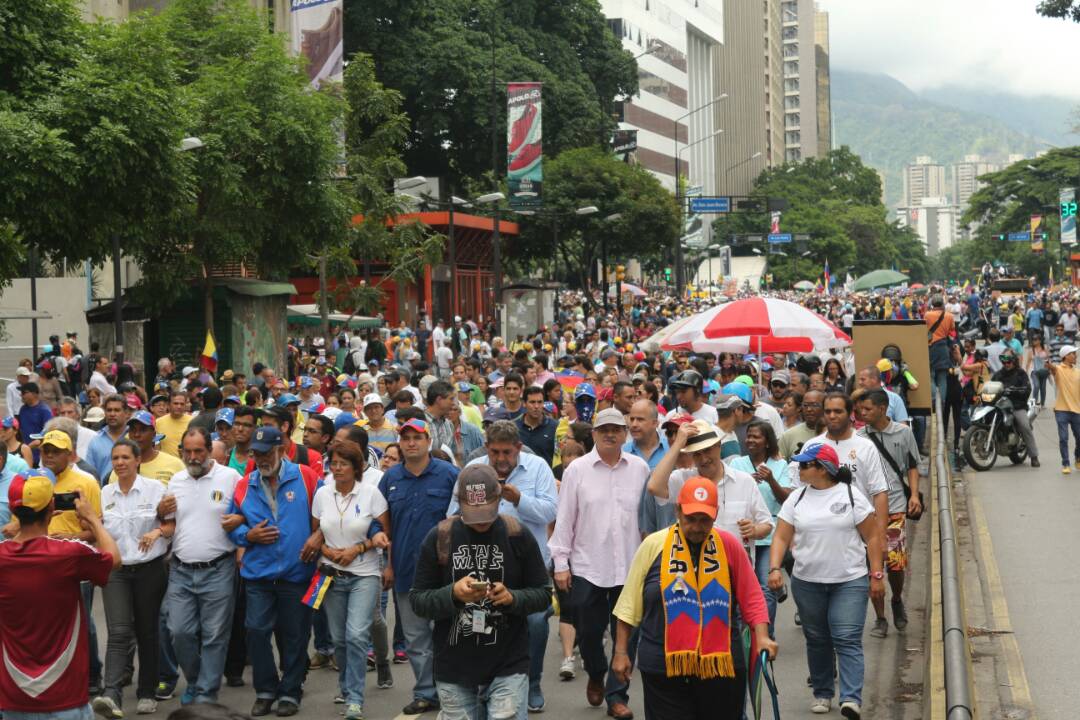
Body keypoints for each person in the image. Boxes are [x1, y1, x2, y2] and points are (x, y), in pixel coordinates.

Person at [612, 477, 776, 719]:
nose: (698, 527)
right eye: (691, 519)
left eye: (705, 520)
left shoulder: (728, 544)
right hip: (662, 664)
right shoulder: (653, 545)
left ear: (716, 514)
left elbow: (752, 598)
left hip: (719, 665)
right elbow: (628, 606)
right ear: (677, 510)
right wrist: (621, 652)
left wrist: (762, 637)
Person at [410, 464, 552, 720]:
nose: (482, 521)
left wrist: (513, 598)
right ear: (460, 503)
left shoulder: (517, 535)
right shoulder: (440, 537)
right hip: (453, 668)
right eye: (474, 513)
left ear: (499, 500)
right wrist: (453, 594)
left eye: (487, 512)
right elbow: (418, 600)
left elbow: (543, 593)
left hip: (509, 663)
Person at [768, 443, 886, 719]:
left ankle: (851, 698)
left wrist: (877, 574)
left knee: (846, 638)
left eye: (805, 464)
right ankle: (822, 691)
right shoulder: (796, 498)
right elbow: (781, 537)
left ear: (822, 469)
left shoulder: (851, 495)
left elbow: (872, 537)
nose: (799, 468)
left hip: (849, 581)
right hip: (807, 582)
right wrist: (774, 568)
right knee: (818, 639)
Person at [548, 408, 651, 720]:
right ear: (593, 434)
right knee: (590, 634)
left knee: (627, 637)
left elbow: (646, 519)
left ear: (625, 434)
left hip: (630, 568)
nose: (610, 434)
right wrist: (561, 563)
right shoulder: (577, 470)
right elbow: (565, 519)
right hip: (588, 566)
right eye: (604, 429)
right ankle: (595, 672)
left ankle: (616, 695)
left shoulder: (639, 468)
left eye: (616, 429)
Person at [454, 421, 559, 712]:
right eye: (495, 452)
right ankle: (485, 684)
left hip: (529, 570)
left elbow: (551, 510)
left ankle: (532, 681)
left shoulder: (537, 468)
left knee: (536, 623)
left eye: (507, 453)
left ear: (519, 449)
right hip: (481, 570)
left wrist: (519, 500)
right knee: (482, 625)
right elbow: (452, 514)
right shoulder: (474, 471)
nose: (501, 459)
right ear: (487, 448)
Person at [0, 469, 120, 720]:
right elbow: (114, 560)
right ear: (51, 506)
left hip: (13, 698)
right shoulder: (69, 554)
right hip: (66, 698)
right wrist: (93, 520)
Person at [226, 425, 321, 717]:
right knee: (255, 631)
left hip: (298, 573)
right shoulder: (245, 484)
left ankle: (290, 692)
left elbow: (325, 513)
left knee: (295, 635)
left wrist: (318, 537)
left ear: (281, 449)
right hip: (259, 574)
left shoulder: (306, 477)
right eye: (256, 453)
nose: (262, 459)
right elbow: (231, 525)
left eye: (267, 452)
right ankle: (266, 690)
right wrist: (247, 536)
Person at [377, 418, 460, 715]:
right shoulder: (389, 479)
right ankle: (426, 692)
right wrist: (387, 566)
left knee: (449, 633)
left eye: (417, 437)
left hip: (446, 573)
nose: (411, 442)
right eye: (406, 437)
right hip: (405, 571)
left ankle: (453, 690)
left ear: (428, 441)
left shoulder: (450, 474)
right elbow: (383, 527)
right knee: (415, 638)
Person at [158, 428, 243, 705]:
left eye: (199, 451)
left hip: (219, 568)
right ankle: (195, 681)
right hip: (181, 570)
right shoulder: (176, 481)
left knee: (215, 635)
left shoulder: (231, 478)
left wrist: (240, 522)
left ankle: (206, 694)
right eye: (187, 451)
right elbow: (170, 524)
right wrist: (160, 516)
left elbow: (249, 512)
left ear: (209, 451)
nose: (193, 457)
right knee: (178, 631)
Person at [311, 439, 391, 720]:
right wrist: (327, 550)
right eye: (333, 463)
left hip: (364, 574)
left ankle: (355, 699)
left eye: (344, 464)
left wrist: (358, 548)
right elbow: (315, 534)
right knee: (339, 639)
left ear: (356, 467)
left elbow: (382, 534)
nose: (337, 468)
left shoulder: (371, 494)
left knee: (356, 635)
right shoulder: (322, 494)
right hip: (331, 575)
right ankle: (346, 687)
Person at [95, 439, 173, 718]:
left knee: (146, 630)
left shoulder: (156, 490)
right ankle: (111, 693)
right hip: (116, 571)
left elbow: (171, 523)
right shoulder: (104, 493)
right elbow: (98, 530)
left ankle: (147, 692)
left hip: (149, 569)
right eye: (115, 458)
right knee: (118, 631)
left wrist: (158, 532)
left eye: (126, 457)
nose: (120, 463)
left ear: (137, 460)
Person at [856, 390, 923, 637]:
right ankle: (880, 618)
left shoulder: (903, 433)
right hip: (866, 511)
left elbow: (913, 466)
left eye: (867, 409)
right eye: (860, 410)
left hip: (895, 507)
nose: (862, 414)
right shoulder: (859, 437)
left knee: (895, 564)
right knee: (872, 566)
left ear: (882, 408)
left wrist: (914, 495)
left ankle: (896, 599)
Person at [728, 421, 792, 630]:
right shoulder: (737, 465)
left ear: (767, 441)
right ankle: (743, 633)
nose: (751, 441)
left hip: (769, 536)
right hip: (743, 535)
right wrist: (748, 482)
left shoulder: (780, 465)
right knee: (741, 587)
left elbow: (786, 500)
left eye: (756, 437)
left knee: (765, 588)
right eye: (749, 436)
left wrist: (771, 480)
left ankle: (765, 634)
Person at [989, 350, 1039, 467]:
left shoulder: (1021, 373)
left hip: (1016, 406)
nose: (1006, 363)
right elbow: (991, 385)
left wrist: (1016, 390)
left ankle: (1034, 456)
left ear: (1014, 361)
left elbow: (1027, 388)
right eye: (1004, 361)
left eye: (1009, 361)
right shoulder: (998, 374)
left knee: (1025, 426)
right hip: (1000, 406)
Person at [1048, 345, 1080, 473]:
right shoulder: (1059, 370)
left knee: (1079, 437)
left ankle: (1078, 457)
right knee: (1063, 437)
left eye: (1075, 353)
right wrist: (1048, 364)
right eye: (1072, 353)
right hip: (1061, 409)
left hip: (1077, 410)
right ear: (1065, 356)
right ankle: (1065, 464)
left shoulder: (1078, 372)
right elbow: (1052, 368)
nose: (1075, 356)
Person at [516, 386, 558, 466]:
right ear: (524, 403)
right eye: (532, 402)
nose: (536, 406)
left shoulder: (555, 427)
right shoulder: (514, 428)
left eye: (540, 402)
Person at [157, 390, 192, 458]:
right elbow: (157, 447)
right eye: (175, 403)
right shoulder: (158, 422)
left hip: (185, 465)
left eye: (182, 404)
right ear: (168, 405)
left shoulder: (192, 421)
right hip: (166, 466)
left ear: (185, 405)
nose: (179, 406)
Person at [1025, 334, 1051, 407]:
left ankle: (1042, 404)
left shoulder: (1045, 348)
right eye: (1033, 339)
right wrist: (1026, 373)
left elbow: (1048, 360)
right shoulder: (1031, 350)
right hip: (1034, 371)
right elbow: (1028, 362)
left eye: (1036, 339)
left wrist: (1050, 370)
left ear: (1040, 340)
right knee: (1036, 386)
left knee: (1043, 388)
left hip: (1044, 371)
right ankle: (1034, 403)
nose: (1034, 341)